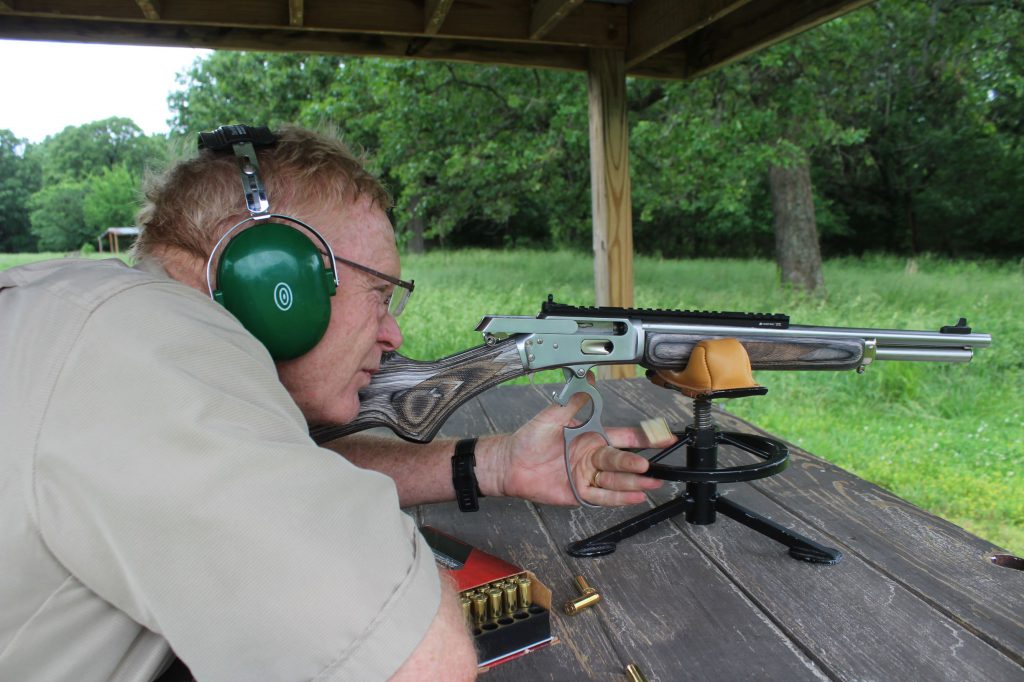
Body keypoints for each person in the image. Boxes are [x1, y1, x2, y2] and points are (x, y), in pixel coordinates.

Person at [0, 125, 669, 681]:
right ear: (274, 276)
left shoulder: (98, 321)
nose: (393, 332)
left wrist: (494, 465)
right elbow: (418, 661)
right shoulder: (155, 340)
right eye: (380, 292)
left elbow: (272, 468)